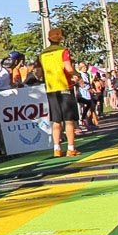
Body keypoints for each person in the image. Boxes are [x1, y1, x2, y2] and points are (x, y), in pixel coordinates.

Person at [39, 28, 80, 157]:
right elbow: (68, 68)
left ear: (49, 39)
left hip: (51, 89)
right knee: (69, 120)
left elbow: (39, 73)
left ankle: (56, 149)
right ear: (60, 39)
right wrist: (77, 75)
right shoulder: (63, 51)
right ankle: (71, 148)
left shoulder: (42, 54)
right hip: (65, 87)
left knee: (56, 121)